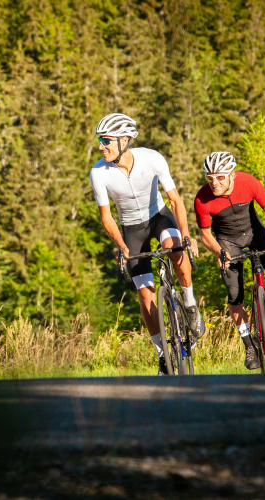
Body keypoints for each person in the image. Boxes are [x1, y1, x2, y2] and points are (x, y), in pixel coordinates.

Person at [90, 113, 205, 375]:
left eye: (106, 140)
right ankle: (162, 352)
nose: (101, 146)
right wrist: (121, 245)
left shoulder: (152, 158)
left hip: (159, 217)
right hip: (131, 228)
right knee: (145, 294)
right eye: (100, 140)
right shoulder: (98, 172)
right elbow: (106, 216)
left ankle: (189, 302)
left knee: (175, 247)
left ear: (124, 140)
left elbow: (175, 200)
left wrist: (186, 235)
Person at [193, 152, 265, 370]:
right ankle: (249, 345)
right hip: (228, 242)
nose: (214, 182)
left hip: (255, 233)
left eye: (220, 177)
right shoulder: (202, 199)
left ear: (231, 175)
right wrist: (219, 252)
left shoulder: (248, 182)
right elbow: (205, 235)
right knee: (234, 294)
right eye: (209, 178)